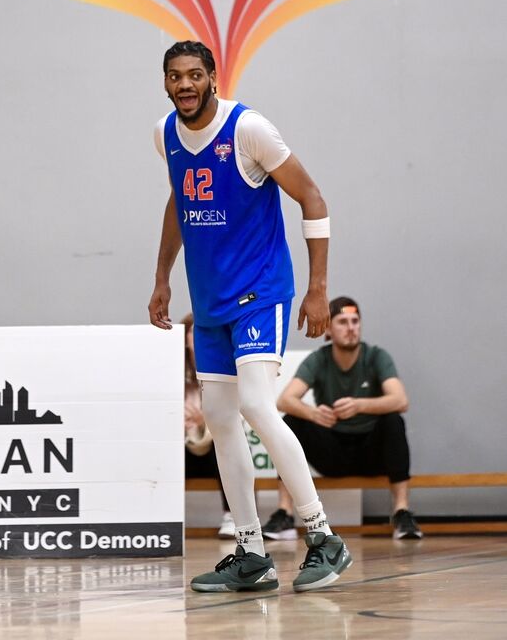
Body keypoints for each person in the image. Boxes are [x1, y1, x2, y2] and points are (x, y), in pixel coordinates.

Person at [149, 40, 351, 593]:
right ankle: (251, 552)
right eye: (174, 77)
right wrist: (163, 277)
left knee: (259, 405)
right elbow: (178, 201)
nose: (184, 85)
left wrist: (318, 290)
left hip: (261, 291)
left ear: (213, 77)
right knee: (218, 418)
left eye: (194, 74)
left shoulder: (250, 130)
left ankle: (322, 536)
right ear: (165, 83)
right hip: (210, 301)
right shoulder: (166, 133)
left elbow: (312, 198)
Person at [264, 296, 422, 541]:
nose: (351, 327)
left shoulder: (376, 356)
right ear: (328, 329)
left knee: (393, 420)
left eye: (355, 321)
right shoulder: (320, 359)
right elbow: (285, 400)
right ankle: (285, 513)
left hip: (371, 453)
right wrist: (313, 413)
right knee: (291, 422)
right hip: (333, 453)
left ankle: (401, 512)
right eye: (343, 322)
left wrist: (361, 405)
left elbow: (401, 400)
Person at [182, 313, 235, 539]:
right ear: (185, 338)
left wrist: (207, 420)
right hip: (183, 450)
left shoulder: (224, 367)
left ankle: (232, 515)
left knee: (229, 443)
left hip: (213, 450)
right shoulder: (171, 372)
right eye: (195, 331)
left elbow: (237, 415)